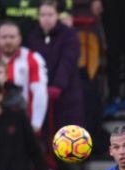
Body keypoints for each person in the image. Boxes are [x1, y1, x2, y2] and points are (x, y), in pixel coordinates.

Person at [0, 20, 48, 132]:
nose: (8, 41)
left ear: (20, 39)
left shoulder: (33, 59)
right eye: (4, 37)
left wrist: (36, 124)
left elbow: (40, 93)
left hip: (23, 122)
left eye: (12, 37)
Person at [25, 0, 84, 130]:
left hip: (66, 91)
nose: (46, 19)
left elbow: (67, 61)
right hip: (40, 91)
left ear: (57, 15)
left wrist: (58, 85)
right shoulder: (32, 36)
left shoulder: (69, 34)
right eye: (43, 15)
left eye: (50, 15)